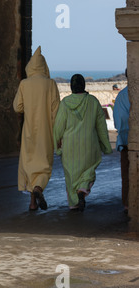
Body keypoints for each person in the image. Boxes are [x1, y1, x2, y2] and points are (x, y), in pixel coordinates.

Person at [53, 74, 113, 211]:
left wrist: (57, 146)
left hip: (70, 147)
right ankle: (83, 189)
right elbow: (101, 127)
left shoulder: (65, 103)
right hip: (89, 145)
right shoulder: (93, 101)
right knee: (88, 171)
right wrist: (106, 146)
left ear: (71, 87)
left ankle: (74, 203)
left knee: (71, 175)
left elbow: (58, 128)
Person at [13, 46, 60, 211]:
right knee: (44, 164)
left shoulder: (24, 84)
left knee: (29, 164)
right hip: (46, 133)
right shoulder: (51, 84)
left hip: (29, 132)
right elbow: (56, 112)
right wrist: (59, 134)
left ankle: (32, 202)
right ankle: (39, 189)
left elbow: (17, 107)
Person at [113, 69, 130, 214]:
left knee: (126, 174)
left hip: (125, 141)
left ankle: (127, 204)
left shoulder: (121, 96)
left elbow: (118, 122)